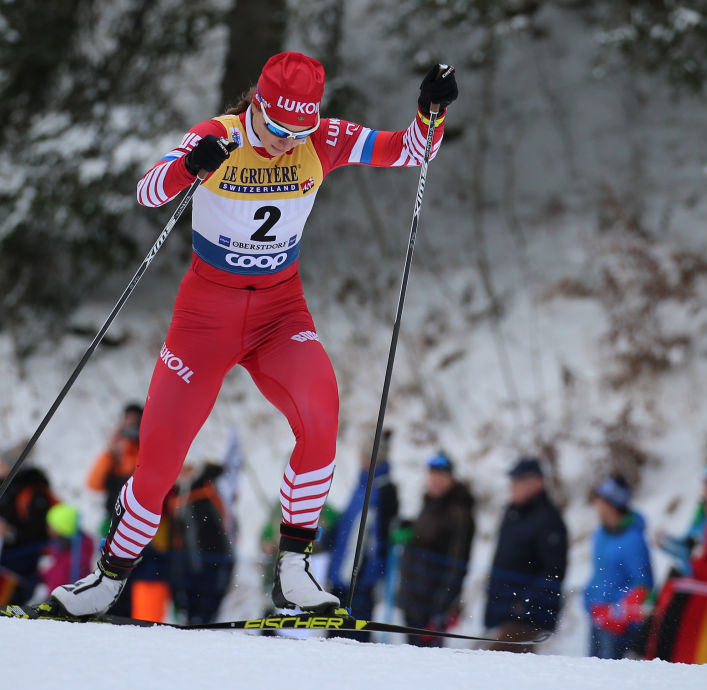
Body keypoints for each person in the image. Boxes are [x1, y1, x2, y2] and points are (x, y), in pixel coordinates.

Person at [49, 51, 458, 618]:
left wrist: (429, 113)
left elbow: (410, 151)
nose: (290, 142)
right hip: (205, 318)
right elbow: (147, 191)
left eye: (302, 130)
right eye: (279, 129)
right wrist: (190, 166)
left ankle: (292, 570)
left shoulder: (322, 140)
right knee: (160, 461)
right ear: (257, 108)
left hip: (279, 312)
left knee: (321, 417)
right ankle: (107, 578)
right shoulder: (218, 135)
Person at [483, 457, 568, 651]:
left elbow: (554, 570)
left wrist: (524, 603)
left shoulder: (548, 519)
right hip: (502, 613)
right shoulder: (513, 513)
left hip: (527, 619)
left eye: (519, 481)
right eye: (513, 481)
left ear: (537, 482)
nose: (513, 486)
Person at [326, 429, 400, 640]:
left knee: (353, 639)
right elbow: (346, 526)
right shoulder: (361, 485)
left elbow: (383, 537)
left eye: (365, 455)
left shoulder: (385, 490)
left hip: (359, 581)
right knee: (333, 638)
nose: (360, 459)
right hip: (340, 577)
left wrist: (371, 572)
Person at [396, 452, 475, 647]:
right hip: (413, 601)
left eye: (441, 476)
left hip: (432, 607)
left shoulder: (459, 512)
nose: (436, 480)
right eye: (432, 475)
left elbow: (458, 564)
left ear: (451, 478)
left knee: (428, 665)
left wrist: (442, 610)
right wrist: (408, 529)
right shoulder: (428, 504)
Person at [583, 475, 654, 660]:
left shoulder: (633, 541)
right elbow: (599, 573)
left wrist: (617, 613)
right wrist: (589, 597)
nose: (596, 503)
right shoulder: (600, 535)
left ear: (612, 504)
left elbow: (644, 586)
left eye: (600, 499)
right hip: (596, 617)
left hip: (618, 628)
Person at [0, 441, 59, 605]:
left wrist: (9, 533)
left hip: (24, 558)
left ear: (12, 466)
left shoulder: (32, 491)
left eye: (2, 463)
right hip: (4, 554)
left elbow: (38, 533)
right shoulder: (6, 485)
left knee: (11, 601)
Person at [166, 462, 235, 625]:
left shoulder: (207, 487)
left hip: (212, 555)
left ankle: (202, 621)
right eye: (181, 468)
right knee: (188, 600)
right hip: (185, 558)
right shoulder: (177, 491)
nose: (184, 473)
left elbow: (225, 522)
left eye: (189, 468)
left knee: (208, 600)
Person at [656, 459, 707, 578]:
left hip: (704, 585)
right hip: (688, 578)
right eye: (705, 483)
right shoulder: (702, 511)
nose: (706, 489)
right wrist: (666, 543)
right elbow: (687, 546)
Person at [86, 402, 143, 527]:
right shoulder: (114, 453)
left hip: (140, 519)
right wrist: (110, 451)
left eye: (135, 420)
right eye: (128, 419)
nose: (131, 425)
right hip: (112, 517)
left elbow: (139, 476)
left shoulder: (145, 449)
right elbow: (93, 484)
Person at [40, 503, 96, 597]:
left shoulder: (74, 560)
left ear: (61, 529)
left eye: (51, 526)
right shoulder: (68, 547)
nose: (48, 529)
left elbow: (58, 585)